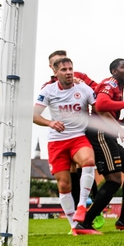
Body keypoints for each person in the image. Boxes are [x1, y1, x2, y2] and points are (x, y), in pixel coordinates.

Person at [75, 58, 124, 233]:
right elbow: (100, 105)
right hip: (100, 134)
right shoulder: (110, 83)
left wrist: (121, 122)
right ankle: (85, 223)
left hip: (107, 134)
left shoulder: (118, 87)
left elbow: (103, 113)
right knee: (114, 181)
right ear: (114, 71)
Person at [32, 57, 99, 235]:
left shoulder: (83, 89)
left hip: (78, 137)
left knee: (88, 160)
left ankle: (82, 205)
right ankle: (74, 227)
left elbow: (99, 108)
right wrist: (50, 123)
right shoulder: (48, 90)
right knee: (63, 185)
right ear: (55, 72)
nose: (68, 72)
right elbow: (34, 115)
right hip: (57, 141)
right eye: (64, 70)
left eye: (70, 69)